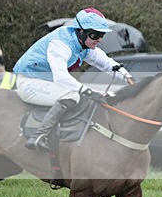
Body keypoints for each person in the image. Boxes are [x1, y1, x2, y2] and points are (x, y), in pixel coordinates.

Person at [13, 8, 135, 152]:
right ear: (81, 31)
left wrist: (128, 77)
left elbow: (107, 63)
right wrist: (88, 91)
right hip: (29, 83)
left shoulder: (84, 45)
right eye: (95, 35)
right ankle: (38, 136)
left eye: (102, 35)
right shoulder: (60, 43)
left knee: (93, 94)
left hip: (46, 82)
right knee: (72, 95)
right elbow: (61, 77)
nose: (99, 39)